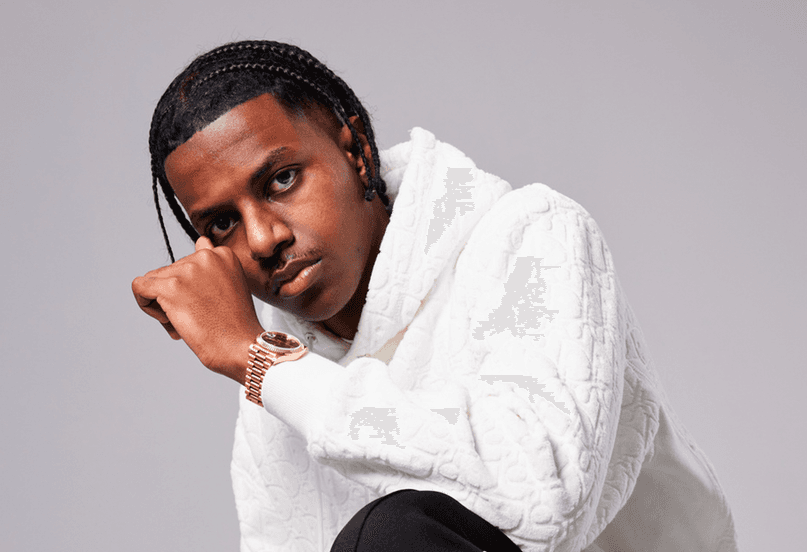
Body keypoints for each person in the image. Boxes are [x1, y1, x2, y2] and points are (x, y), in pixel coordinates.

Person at [132, 40, 738, 551]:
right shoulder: (276, 365)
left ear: (355, 151)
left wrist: (262, 363)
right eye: (223, 224)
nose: (264, 238)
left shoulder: (532, 233)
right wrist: (266, 365)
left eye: (282, 179)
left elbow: (542, 497)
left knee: (396, 533)